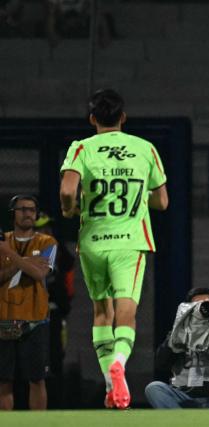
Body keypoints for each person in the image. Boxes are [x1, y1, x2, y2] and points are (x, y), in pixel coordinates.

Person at [59, 88, 169, 409]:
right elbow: (162, 201)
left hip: (93, 242)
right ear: (123, 117)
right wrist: (138, 202)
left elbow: (67, 192)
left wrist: (71, 209)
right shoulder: (145, 148)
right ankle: (120, 361)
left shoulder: (81, 148)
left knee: (101, 313)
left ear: (92, 119)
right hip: (129, 243)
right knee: (126, 313)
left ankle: (110, 385)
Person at [145, 288, 209, 409]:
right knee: (153, 388)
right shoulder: (180, 330)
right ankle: (184, 420)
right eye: (196, 306)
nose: (201, 310)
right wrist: (172, 345)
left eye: (206, 305)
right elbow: (160, 364)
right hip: (185, 396)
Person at [0, 195, 57, 410]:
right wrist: (23, 261)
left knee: (37, 379)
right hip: (4, 318)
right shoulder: (3, 239)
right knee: (4, 381)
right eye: (22, 209)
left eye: (32, 209)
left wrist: (9, 255)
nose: (27, 213)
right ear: (13, 212)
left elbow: (39, 272)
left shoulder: (47, 242)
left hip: (36, 319)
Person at [34, 212, 75, 408]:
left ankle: (56, 408)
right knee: (32, 365)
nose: (46, 232)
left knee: (56, 361)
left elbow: (67, 283)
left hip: (55, 316)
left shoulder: (59, 252)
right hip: (30, 317)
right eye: (41, 228)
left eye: (48, 228)